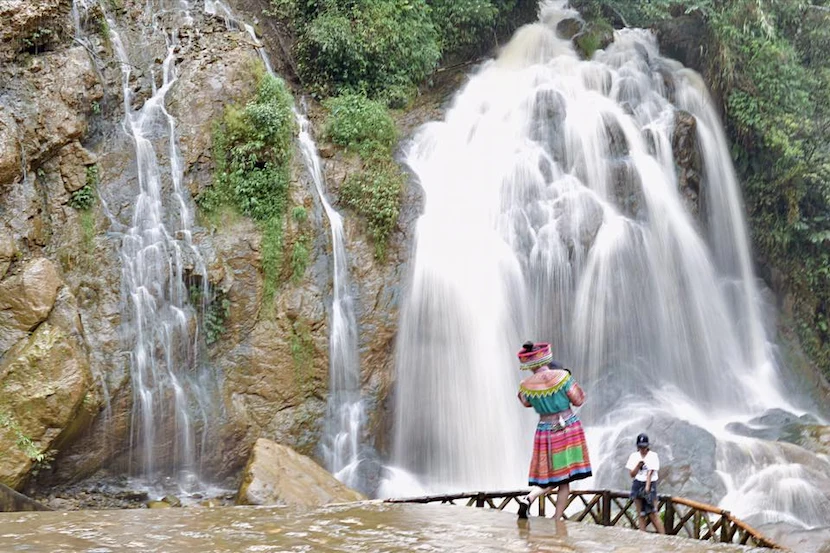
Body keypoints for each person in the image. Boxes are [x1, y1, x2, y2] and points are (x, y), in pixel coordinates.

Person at [515, 341, 592, 520]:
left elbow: (526, 403)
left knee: (550, 475)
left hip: (544, 430)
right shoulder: (563, 377)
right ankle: (557, 519)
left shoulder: (525, 385)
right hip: (566, 426)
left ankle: (530, 497)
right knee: (564, 477)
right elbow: (578, 399)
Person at [625, 433, 666, 533]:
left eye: (644, 447)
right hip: (637, 483)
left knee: (653, 513)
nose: (642, 449)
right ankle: (642, 536)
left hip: (650, 484)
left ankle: (664, 537)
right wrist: (638, 466)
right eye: (640, 447)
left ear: (648, 446)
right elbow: (632, 474)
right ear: (637, 446)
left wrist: (647, 487)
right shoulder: (634, 456)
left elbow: (650, 472)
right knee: (641, 514)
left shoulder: (653, 455)